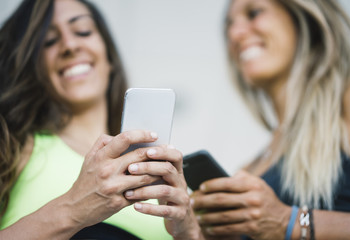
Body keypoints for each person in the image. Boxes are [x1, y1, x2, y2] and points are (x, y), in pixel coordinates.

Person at [0, 0, 203, 239]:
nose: (70, 45)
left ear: (109, 58)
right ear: (35, 67)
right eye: (49, 41)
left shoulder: (164, 182)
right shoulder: (12, 147)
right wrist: (74, 208)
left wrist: (188, 230)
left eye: (83, 31)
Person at [190, 0, 350, 239]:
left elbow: (281, 223)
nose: (235, 33)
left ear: (303, 21)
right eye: (229, 25)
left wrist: (288, 222)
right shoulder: (249, 169)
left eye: (254, 13)